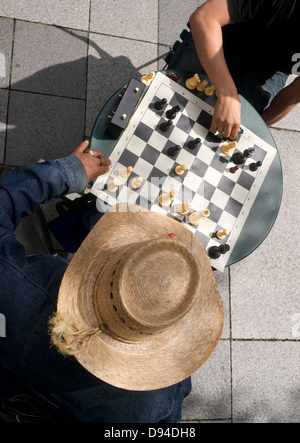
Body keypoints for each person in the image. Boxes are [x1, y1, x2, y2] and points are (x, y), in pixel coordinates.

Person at [0, 141, 224, 423]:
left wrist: (69, 172)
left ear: (102, 265)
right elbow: (177, 400)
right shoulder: (154, 403)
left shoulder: (18, 288)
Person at [167, 0, 300, 140]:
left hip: (269, 71)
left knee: (223, 135)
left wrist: (255, 130)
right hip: (223, 41)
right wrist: (227, 94)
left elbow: (294, 96)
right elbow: (204, 17)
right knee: (170, 98)